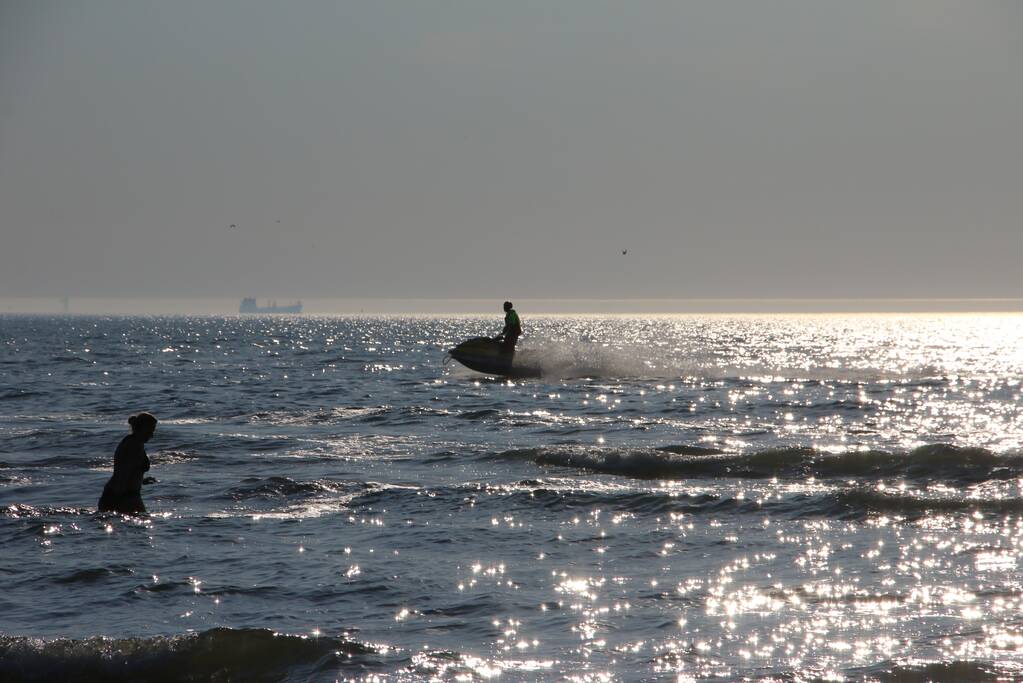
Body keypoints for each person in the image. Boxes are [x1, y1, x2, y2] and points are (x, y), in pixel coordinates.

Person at [98, 412, 157, 515]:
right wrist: (119, 497)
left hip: (122, 494)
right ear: (142, 428)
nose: (152, 435)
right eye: (150, 430)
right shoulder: (133, 446)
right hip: (123, 496)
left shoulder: (134, 443)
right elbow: (124, 472)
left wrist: (141, 481)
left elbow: (128, 471)